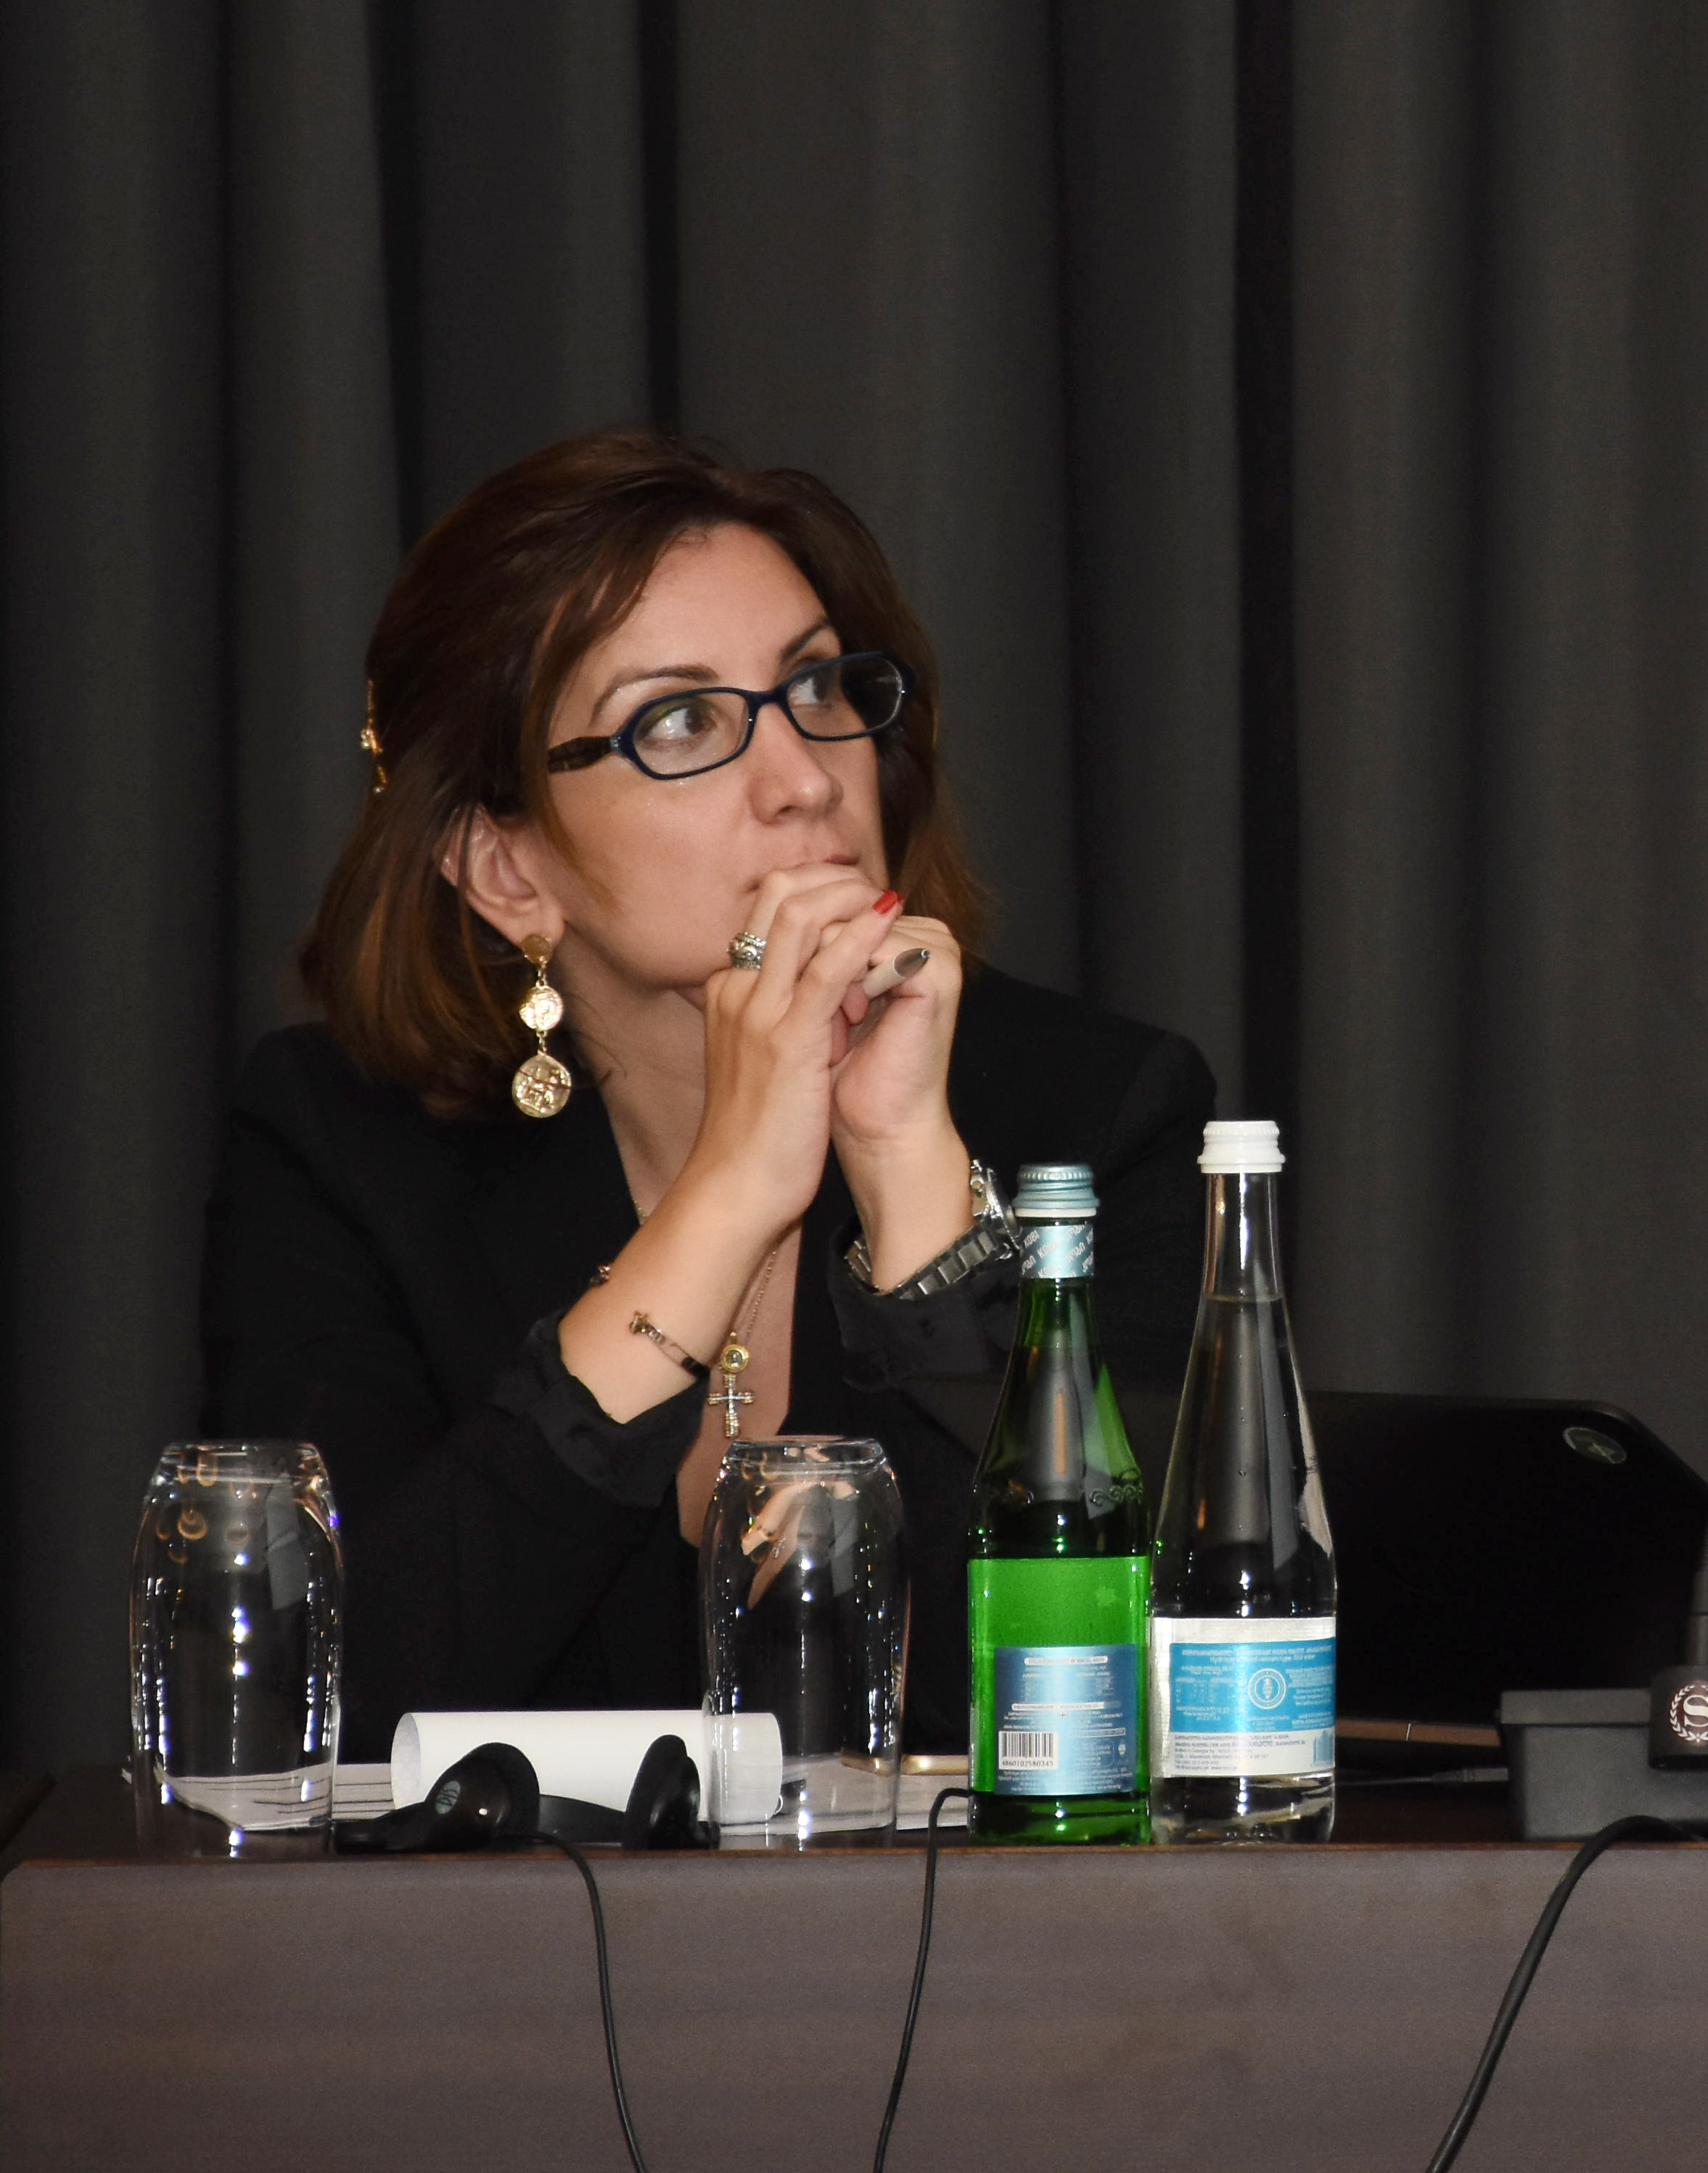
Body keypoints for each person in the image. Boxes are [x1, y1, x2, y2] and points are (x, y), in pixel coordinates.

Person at [201, 429, 1212, 1757]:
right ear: (505, 869)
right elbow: (303, 1709)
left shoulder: (1103, 1112)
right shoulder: (340, 1141)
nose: (806, 780)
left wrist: (912, 1182)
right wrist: (724, 1204)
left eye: (818, 688)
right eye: (680, 721)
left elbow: (1108, 1720)